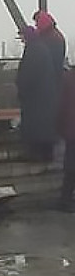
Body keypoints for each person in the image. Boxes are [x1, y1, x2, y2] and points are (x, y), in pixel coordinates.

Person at [17, 24, 60, 162]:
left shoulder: (33, 51)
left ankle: (35, 154)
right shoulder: (41, 48)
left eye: (22, 36)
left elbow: (28, 75)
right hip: (45, 95)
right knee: (45, 126)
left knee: (34, 126)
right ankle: (47, 154)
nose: (21, 39)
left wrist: (21, 87)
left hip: (35, 97)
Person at [58, 67, 75, 211]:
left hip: (71, 130)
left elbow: (61, 105)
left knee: (71, 166)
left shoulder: (67, 79)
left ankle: (66, 198)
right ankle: (66, 199)